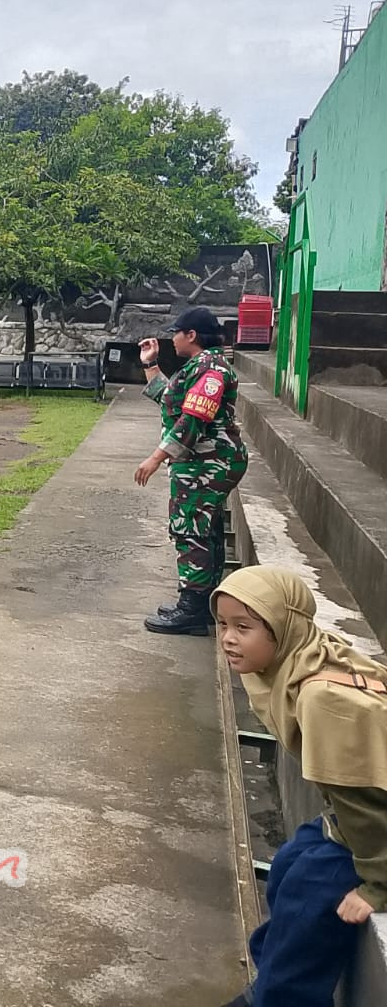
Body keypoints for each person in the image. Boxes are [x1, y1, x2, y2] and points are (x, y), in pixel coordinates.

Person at [212, 566, 387, 1007]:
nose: (228, 638)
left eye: (244, 627)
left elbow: (364, 798)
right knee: (289, 864)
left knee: (309, 892)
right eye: (223, 625)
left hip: (372, 822)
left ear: (282, 627)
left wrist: (378, 886)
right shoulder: (296, 658)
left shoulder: (321, 696)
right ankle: (273, 980)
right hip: (351, 814)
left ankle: (283, 996)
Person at [137, 306, 249, 635]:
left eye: (176, 332)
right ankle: (201, 604)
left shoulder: (211, 369)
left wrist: (156, 458)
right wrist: (150, 363)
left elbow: (193, 420)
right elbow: (172, 401)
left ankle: (192, 610)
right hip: (202, 461)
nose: (170, 339)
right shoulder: (200, 366)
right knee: (204, 528)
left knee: (190, 529)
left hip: (207, 463)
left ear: (192, 335)